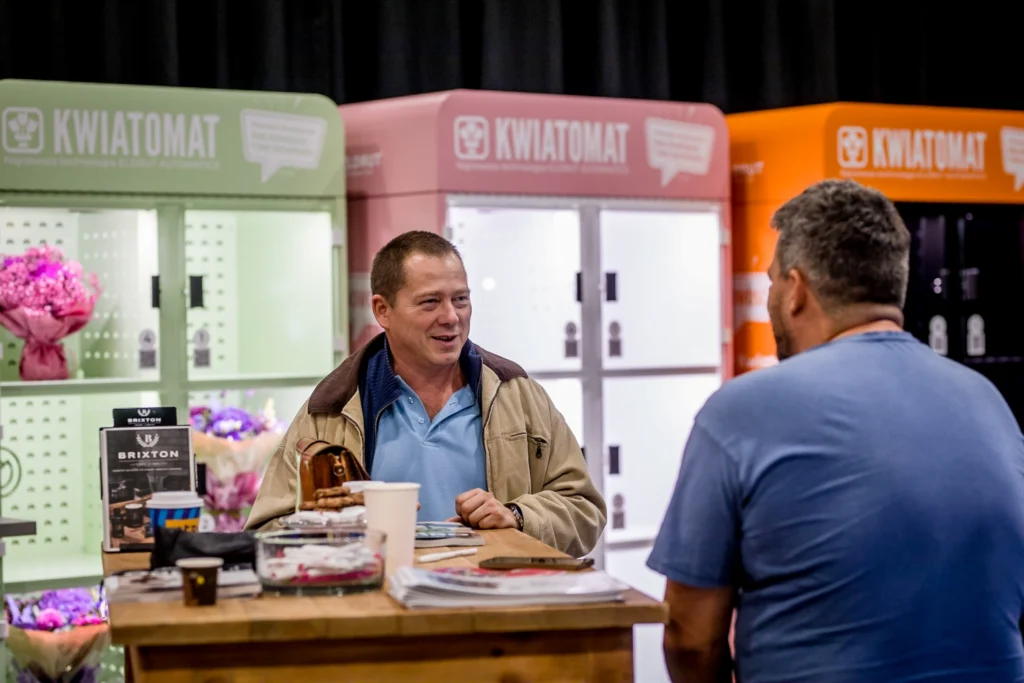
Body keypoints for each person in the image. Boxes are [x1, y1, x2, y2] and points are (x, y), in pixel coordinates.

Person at [647, 179, 1024, 683]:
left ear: (797, 290)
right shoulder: (989, 404)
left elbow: (691, 639)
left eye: (773, 282)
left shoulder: (741, 412)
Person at [246, 230, 606, 557]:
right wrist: (344, 532)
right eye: (430, 302)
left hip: (495, 611)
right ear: (382, 310)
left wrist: (517, 515)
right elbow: (266, 531)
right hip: (378, 612)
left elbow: (584, 510)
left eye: (460, 299)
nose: (451, 317)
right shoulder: (331, 409)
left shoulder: (518, 395)